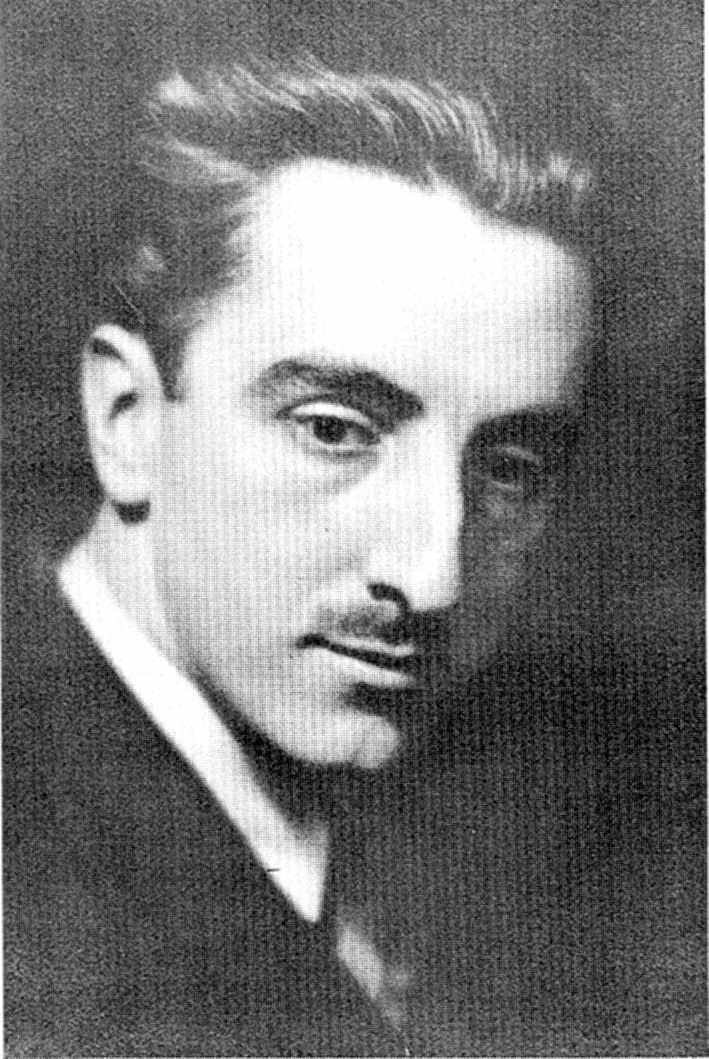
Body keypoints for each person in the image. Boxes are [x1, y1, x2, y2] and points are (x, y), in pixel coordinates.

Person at [4, 59, 703, 1056]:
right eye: (334, 430)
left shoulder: (520, 867)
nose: (433, 578)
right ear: (128, 420)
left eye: (509, 468)